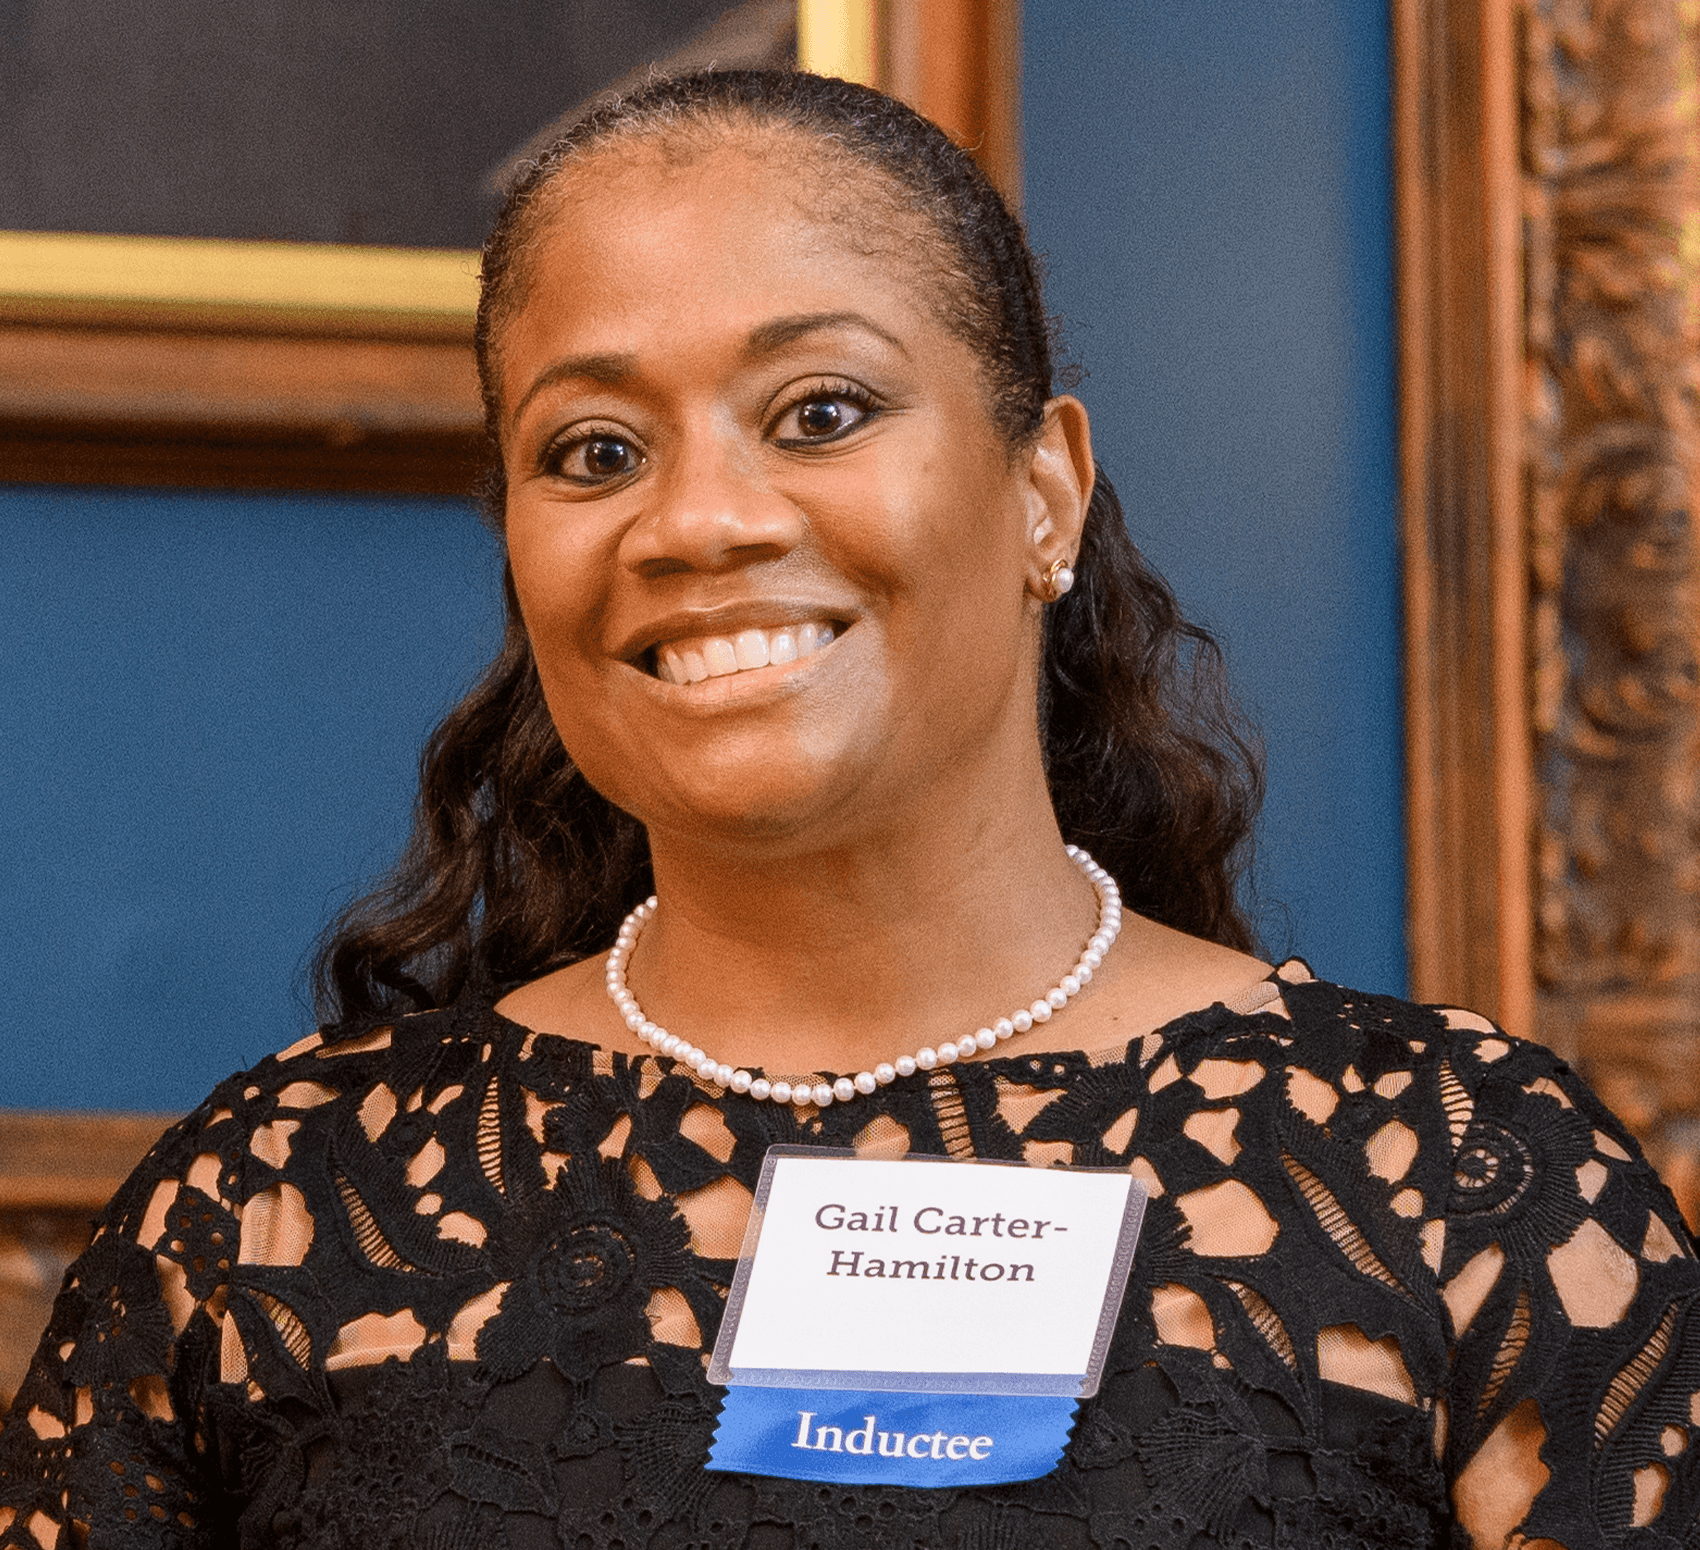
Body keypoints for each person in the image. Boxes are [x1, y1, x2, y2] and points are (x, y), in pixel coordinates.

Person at [2, 68, 1696, 1550]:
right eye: (593, 450)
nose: (699, 519)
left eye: (819, 411)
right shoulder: (268, 1212)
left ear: (1045, 491)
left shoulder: (1471, 1186)